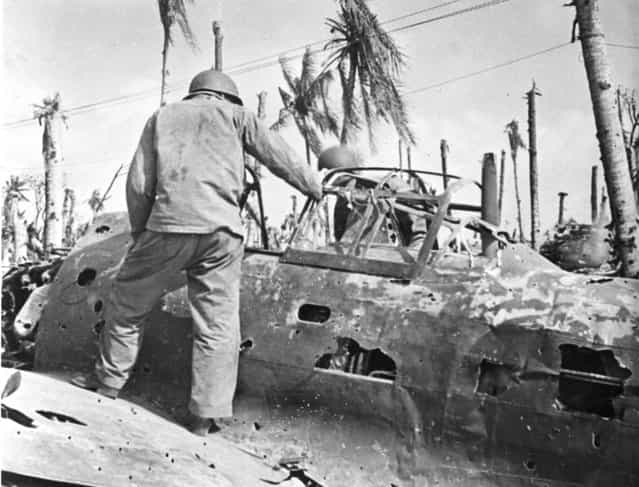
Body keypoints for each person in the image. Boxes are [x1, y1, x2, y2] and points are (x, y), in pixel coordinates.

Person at [71, 69, 322, 436]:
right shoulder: (239, 117)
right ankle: (205, 415)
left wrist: (141, 232)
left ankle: (108, 383)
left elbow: (139, 182)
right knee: (218, 324)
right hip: (223, 234)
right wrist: (313, 186)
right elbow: (279, 156)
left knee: (127, 303)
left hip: (169, 225)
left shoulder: (163, 116)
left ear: (195, 94)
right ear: (229, 98)